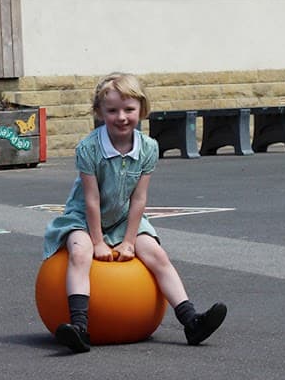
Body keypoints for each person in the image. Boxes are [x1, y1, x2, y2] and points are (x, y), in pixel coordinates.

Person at [42, 72, 225, 352]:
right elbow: (90, 200)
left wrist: (129, 241)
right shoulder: (89, 148)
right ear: (100, 112)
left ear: (142, 109)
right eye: (112, 110)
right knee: (80, 253)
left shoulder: (149, 148)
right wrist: (98, 241)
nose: (122, 117)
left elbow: (139, 199)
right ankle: (79, 326)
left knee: (157, 255)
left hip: (125, 218)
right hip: (83, 218)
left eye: (129, 109)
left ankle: (191, 321)